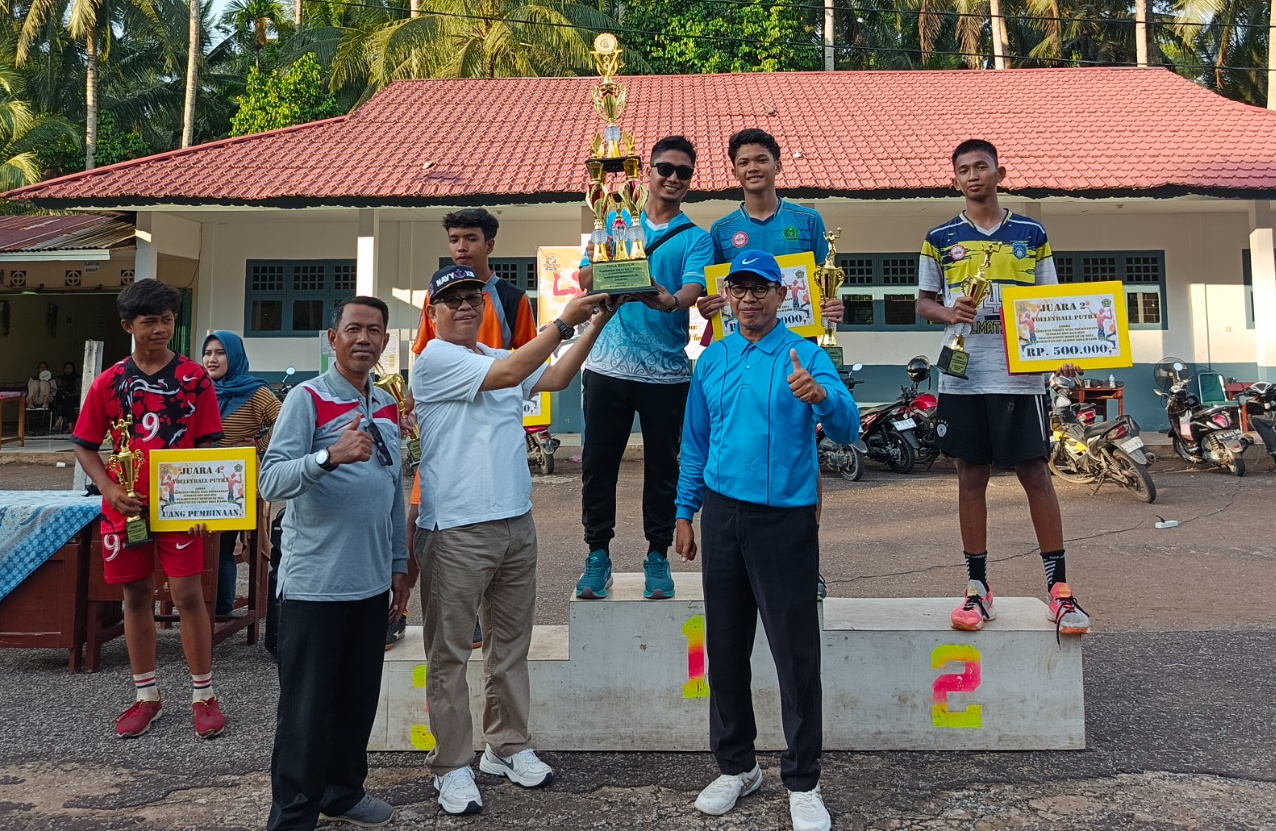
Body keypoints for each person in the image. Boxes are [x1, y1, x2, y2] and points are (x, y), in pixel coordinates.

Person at [411, 264, 615, 816]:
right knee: (450, 655)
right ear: (433, 312)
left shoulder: (493, 354)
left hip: (515, 522)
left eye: (472, 298)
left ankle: (506, 746)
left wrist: (597, 321)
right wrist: (562, 322)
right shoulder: (434, 359)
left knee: (509, 647)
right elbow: (513, 373)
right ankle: (452, 765)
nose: (465, 307)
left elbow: (555, 377)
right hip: (456, 529)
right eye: (452, 300)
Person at [675, 251, 858, 831]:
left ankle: (803, 780)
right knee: (726, 647)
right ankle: (737, 766)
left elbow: (849, 427)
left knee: (795, 654)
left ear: (782, 295)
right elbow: (695, 443)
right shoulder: (713, 358)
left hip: (785, 520)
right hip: (722, 516)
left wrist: (821, 397)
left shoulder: (807, 355)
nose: (749, 298)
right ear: (728, 296)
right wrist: (684, 512)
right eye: (740, 288)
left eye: (761, 289)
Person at [915, 138, 1089, 636]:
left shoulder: (1031, 233)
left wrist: (1062, 352)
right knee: (971, 477)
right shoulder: (939, 237)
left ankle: (1059, 590)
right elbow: (924, 303)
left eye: (981, 167)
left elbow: (1050, 302)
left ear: (999, 173)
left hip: (1021, 376)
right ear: (954, 180)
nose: (973, 176)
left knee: (1036, 474)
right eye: (963, 170)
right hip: (963, 377)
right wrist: (950, 312)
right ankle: (977, 588)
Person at [258, 296, 408, 830]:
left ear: (385, 340)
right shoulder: (307, 398)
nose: (363, 339)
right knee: (305, 709)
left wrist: (399, 564)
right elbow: (270, 480)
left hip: (370, 583)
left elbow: (393, 490)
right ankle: (294, 814)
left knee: (356, 700)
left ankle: (342, 793)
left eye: (374, 330)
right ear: (332, 338)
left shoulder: (387, 404)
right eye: (353, 329)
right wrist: (329, 456)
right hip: (315, 585)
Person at [70, 280, 226, 740]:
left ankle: (204, 695)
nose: (160, 329)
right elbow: (84, 445)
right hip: (125, 509)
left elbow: (208, 444)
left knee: (188, 595)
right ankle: (146, 696)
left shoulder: (194, 379)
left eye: (168, 320)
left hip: (180, 508)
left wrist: (203, 503)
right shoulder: (108, 382)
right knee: (135, 596)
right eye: (150, 321)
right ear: (128, 326)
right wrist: (108, 487)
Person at [696, 127, 846, 601]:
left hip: (799, 356)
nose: (753, 168)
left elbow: (825, 283)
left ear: (777, 165)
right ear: (734, 170)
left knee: (804, 456)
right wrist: (708, 306)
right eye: (743, 161)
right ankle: (744, 558)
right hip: (745, 357)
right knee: (743, 448)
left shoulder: (807, 220)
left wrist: (833, 306)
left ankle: (807, 563)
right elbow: (721, 291)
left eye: (761, 159)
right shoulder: (722, 231)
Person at [572, 135, 713, 601]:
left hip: (666, 372)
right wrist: (614, 268)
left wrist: (666, 299)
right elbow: (586, 277)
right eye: (664, 168)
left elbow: (691, 290)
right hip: (606, 366)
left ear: (690, 181)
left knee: (663, 469)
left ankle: (657, 555)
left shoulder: (696, 238)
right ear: (645, 173)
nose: (673, 178)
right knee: (598, 465)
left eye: (683, 172)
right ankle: (598, 555)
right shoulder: (614, 222)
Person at [394, 208, 538, 651]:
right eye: (454, 239)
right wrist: (412, 404)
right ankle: (397, 609)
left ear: (489, 245)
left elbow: (527, 359)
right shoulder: (436, 296)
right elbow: (425, 352)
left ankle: (471, 613)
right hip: (447, 425)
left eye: (470, 238)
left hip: (493, 413)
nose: (461, 247)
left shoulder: (511, 299)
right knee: (418, 520)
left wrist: (584, 324)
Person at [201, 330, 281, 618]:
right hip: (197, 479)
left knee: (222, 545)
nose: (212, 359)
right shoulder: (199, 389)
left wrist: (258, 445)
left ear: (234, 356)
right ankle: (197, 606)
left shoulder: (254, 392)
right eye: (207, 353)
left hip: (233, 482)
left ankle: (220, 611)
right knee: (194, 542)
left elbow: (284, 420)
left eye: (220, 353)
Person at [52, 361, 80, 431]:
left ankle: (59, 420)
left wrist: (69, 395)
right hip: (64, 399)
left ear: (73, 369)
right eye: (66, 368)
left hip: (75, 398)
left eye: (70, 368)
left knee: (67, 402)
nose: (68, 370)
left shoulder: (77, 378)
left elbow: (78, 391)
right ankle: (70, 426)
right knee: (66, 404)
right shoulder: (62, 379)